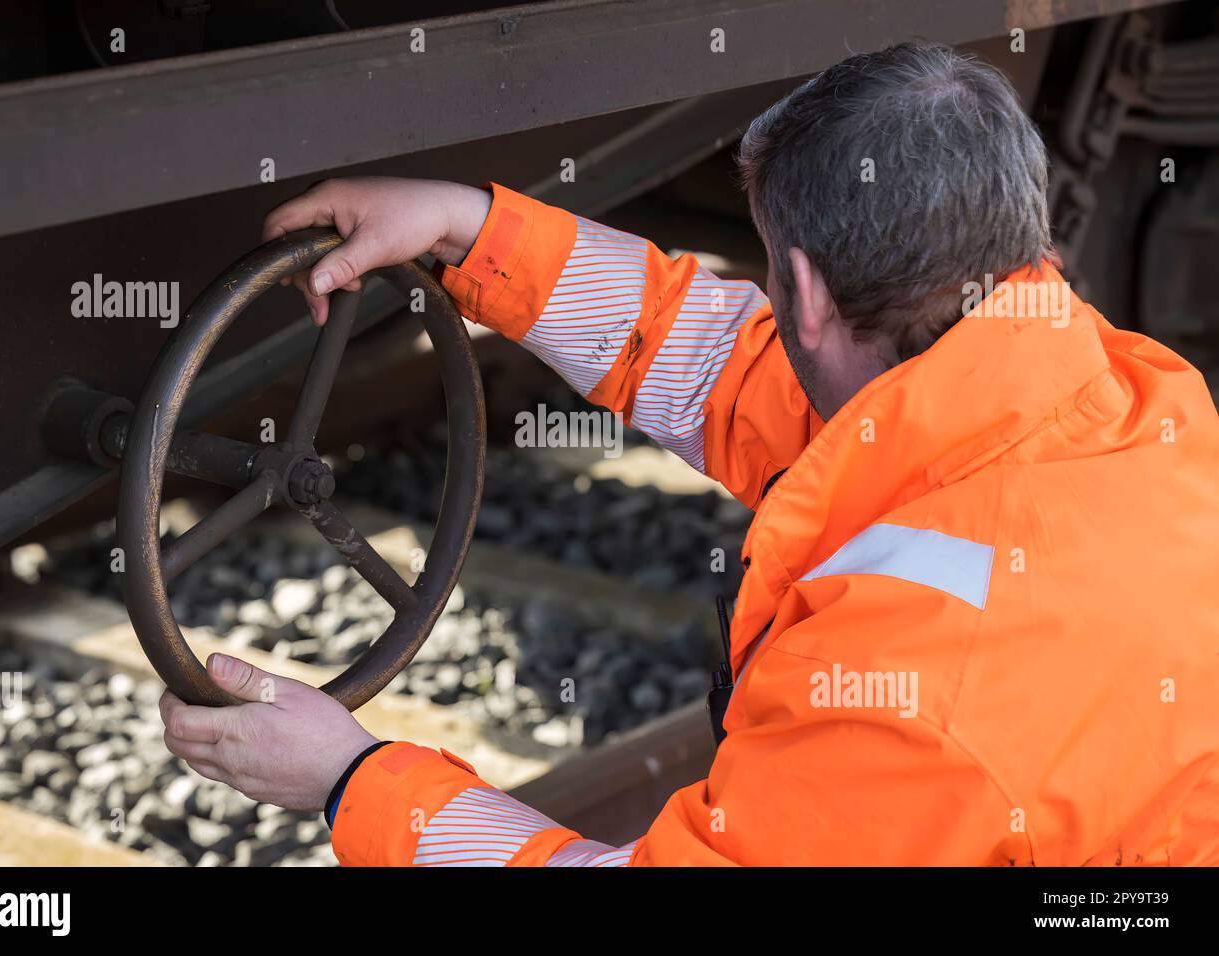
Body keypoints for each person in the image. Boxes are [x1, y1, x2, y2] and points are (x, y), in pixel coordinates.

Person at [159, 41, 1219, 866]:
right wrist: (462, 228)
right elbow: (727, 367)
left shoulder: (913, 697)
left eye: (766, 274)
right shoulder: (1115, 398)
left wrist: (350, 780)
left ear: (800, 290)